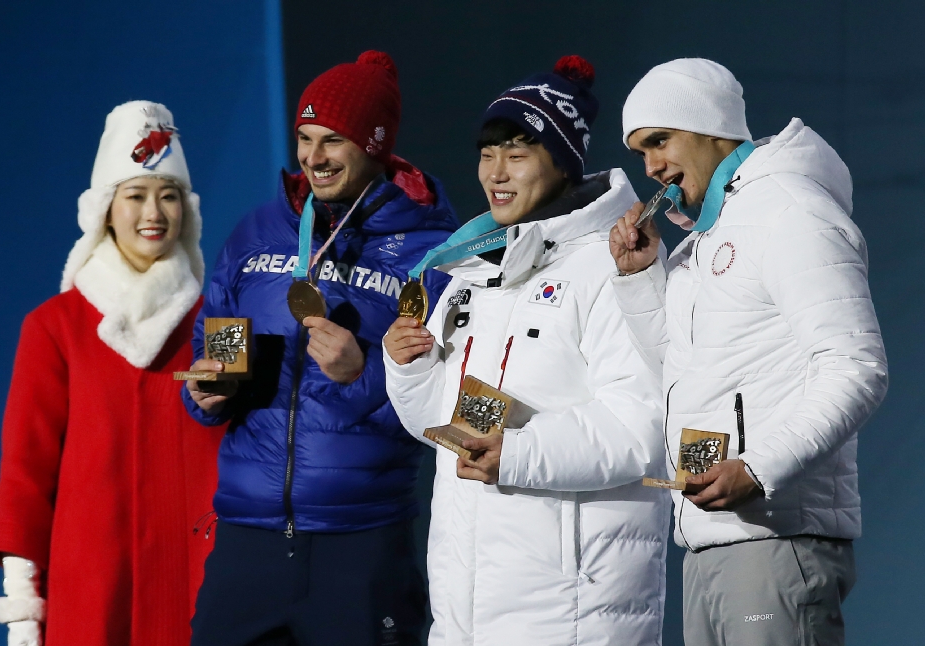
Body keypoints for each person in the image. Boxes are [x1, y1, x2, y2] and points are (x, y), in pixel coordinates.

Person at [383, 56, 670, 646]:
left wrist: (515, 454)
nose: (495, 172)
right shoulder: (475, 271)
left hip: (571, 609)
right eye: (488, 154)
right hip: (466, 602)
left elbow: (643, 425)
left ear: (562, 163)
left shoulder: (613, 262)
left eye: (517, 153)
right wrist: (410, 368)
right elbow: (443, 424)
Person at [181, 51, 459, 646]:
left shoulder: (430, 253)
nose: (313, 157)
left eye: (333, 140)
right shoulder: (257, 233)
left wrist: (360, 375)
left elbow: (446, 407)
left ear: (376, 145)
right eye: (305, 138)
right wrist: (210, 391)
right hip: (246, 534)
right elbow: (215, 344)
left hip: (360, 543)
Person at [610, 58, 888, 646]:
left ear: (712, 127)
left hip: (777, 542)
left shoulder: (789, 210)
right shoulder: (707, 235)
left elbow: (856, 368)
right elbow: (682, 376)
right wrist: (640, 279)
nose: (651, 166)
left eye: (660, 141)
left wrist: (761, 469)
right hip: (713, 542)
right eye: (640, 152)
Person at [0, 101, 224, 646]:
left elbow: (243, 448)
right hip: (89, 594)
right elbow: (26, 473)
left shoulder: (219, 319)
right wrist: (23, 606)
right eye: (135, 194)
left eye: (168, 195)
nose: (154, 212)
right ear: (104, 210)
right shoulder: (53, 327)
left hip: (198, 590)